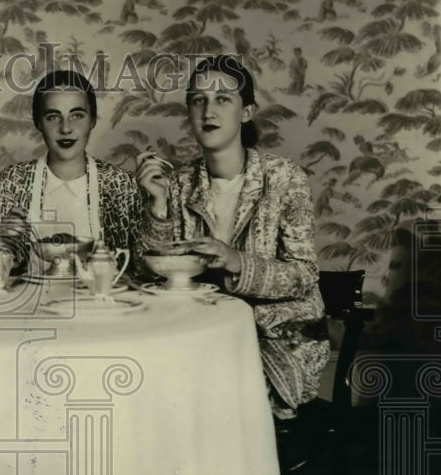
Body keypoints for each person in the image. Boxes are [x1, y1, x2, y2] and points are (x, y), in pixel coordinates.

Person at [136, 55, 329, 418]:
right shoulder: (178, 184)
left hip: (278, 342)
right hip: (202, 337)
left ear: (246, 111)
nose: (209, 110)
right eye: (198, 100)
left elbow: (305, 276)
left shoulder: (285, 179)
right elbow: (150, 277)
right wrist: (158, 207)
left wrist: (237, 261)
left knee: (196, 399)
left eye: (223, 99)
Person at [0, 69, 143, 268]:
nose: (65, 128)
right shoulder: (12, 181)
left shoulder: (121, 184)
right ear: (38, 123)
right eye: (53, 117)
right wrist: (6, 241)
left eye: (77, 115)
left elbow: (140, 267)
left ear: (93, 120)